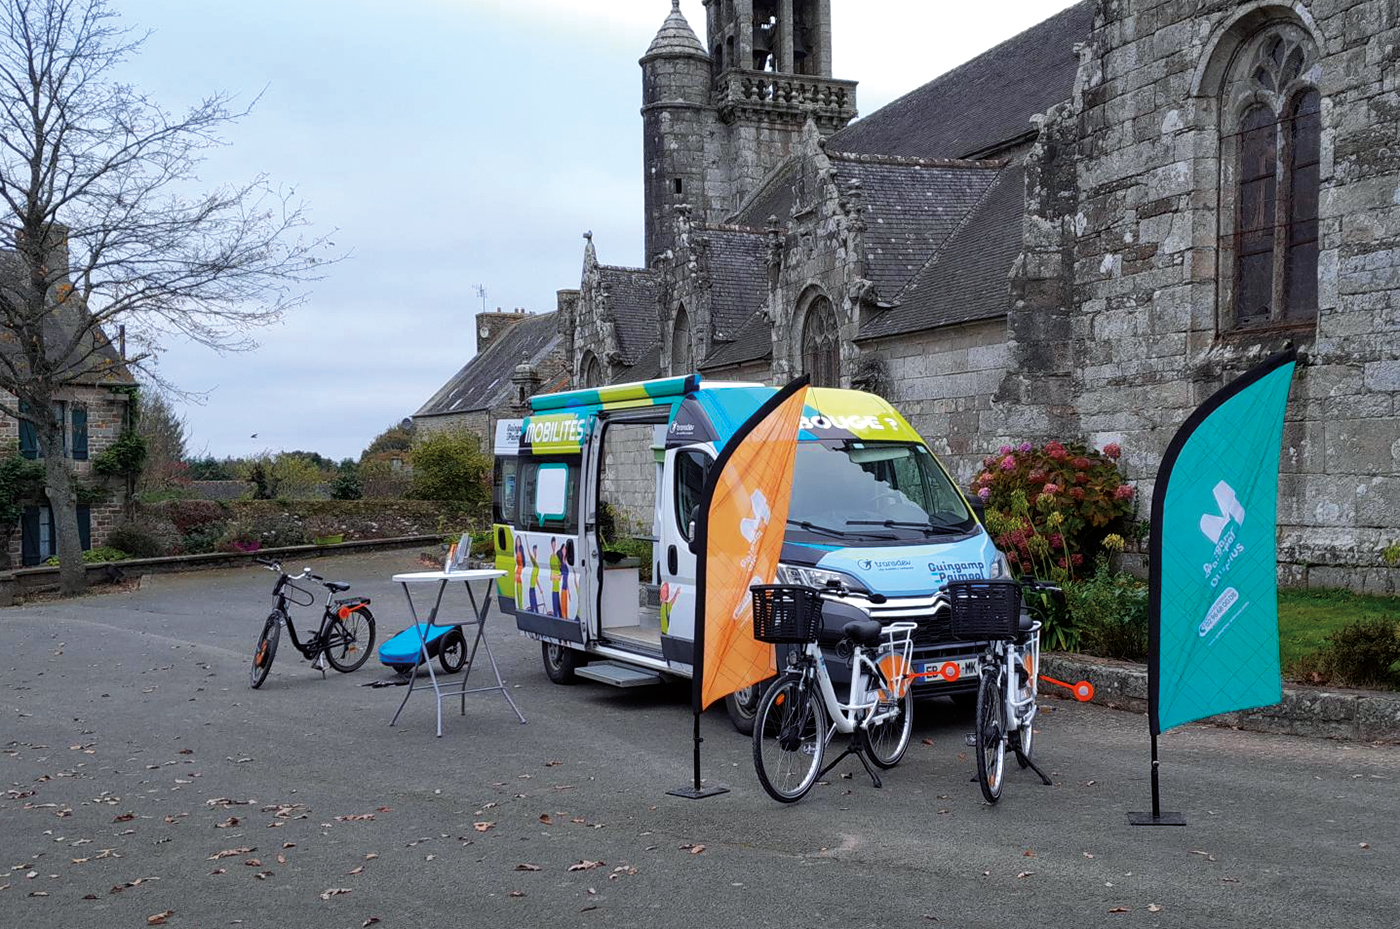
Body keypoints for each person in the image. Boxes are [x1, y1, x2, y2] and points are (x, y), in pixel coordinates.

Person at [549, 537, 563, 617]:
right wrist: (553, 576)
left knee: (559, 607)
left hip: (558, 585)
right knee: (555, 607)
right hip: (554, 586)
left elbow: (561, 569)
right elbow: (551, 573)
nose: (554, 546)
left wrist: (556, 576)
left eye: (555, 544)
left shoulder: (558, 556)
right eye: (552, 544)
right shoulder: (551, 557)